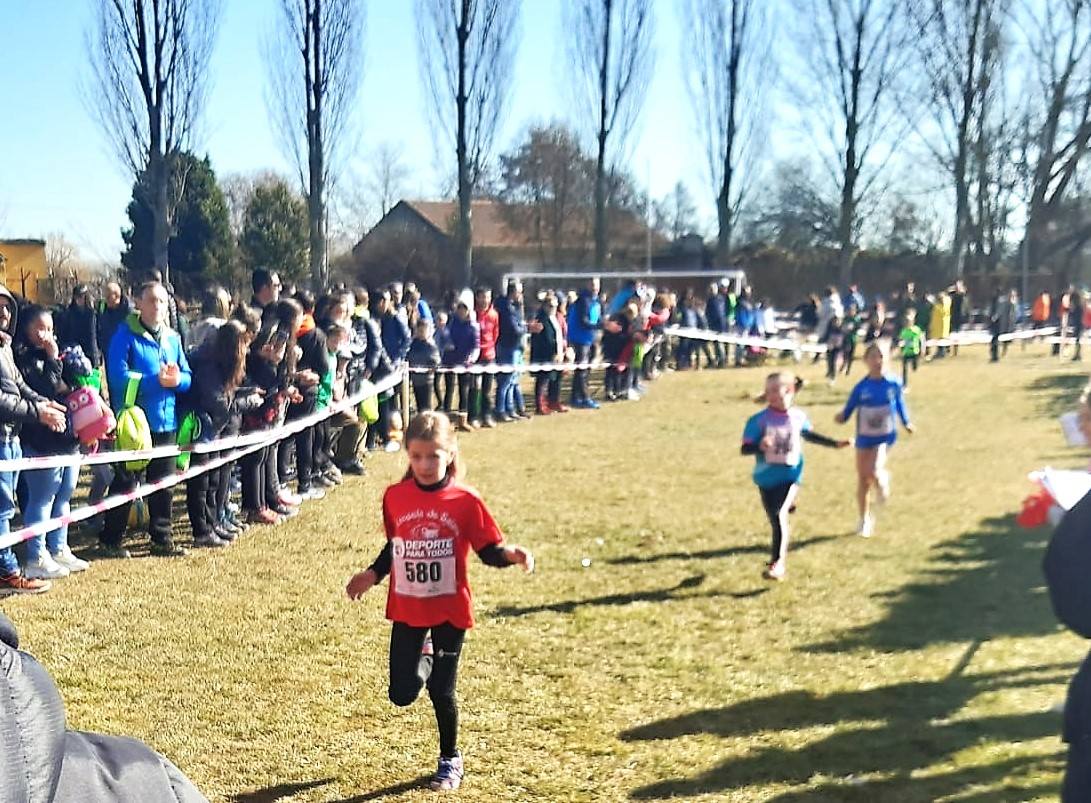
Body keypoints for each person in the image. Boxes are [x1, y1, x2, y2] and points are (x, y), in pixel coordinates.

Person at [345, 411, 534, 792]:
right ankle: (425, 655)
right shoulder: (395, 496)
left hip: (449, 609)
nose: (425, 465)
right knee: (401, 694)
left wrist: (510, 554)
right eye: (416, 456)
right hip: (408, 607)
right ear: (408, 456)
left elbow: (487, 550)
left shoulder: (465, 500)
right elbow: (395, 545)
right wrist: (372, 574)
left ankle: (450, 759)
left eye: (433, 456)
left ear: (450, 453)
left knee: (441, 691)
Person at [99, 281, 192, 558]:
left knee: (163, 484)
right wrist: (155, 381)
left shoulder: (173, 338)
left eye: (162, 301)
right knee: (126, 481)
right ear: (138, 303)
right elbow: (116, 376)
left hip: (167, 422)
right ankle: (110, 539)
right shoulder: (124, 335)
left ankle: (162, 539)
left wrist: (177, 381)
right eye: (151, 300)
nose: (157, 306)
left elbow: (187, 376)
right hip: (136, 424)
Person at [743, 372, 849, 580]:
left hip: (791, 474)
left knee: (778, 516)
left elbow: (810, 436)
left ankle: (777, 563)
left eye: (776, 390)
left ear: (790, 391)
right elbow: (745, 449)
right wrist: (759, 446)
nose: (771, 395)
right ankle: (789, 505)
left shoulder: (798, 417)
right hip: (766, 478)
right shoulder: (758, 420)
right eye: (768, 391)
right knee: (774, 513)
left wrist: (835, 444)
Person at [14, 305, 87, 580]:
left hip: (67, 438)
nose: (47, 335)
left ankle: (59, 547)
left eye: (50, 329)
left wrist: (65, 366)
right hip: (41, 441)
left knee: (64, 495)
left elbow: (70, 387)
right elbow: (44, 389)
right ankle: (36, 554)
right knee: (42, 498)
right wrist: (53, 361)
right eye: (40, 329)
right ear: (28, 329)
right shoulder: (23, 359)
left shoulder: (61, 354)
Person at [187, 320, 264, 545]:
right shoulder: (207, 365)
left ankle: (213, 524)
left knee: (213, 479)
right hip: (200, 427)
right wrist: (248, 401)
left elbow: (226, 394)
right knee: (201, 482)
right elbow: (218, 403)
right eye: (244, 345)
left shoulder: (219, 363)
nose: (247, 351)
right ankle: (202, 531)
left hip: (213, 428)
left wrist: (247, 391)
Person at [835, 342, 914, 538]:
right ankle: (864, 519)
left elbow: (900, 404)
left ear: (887, 359)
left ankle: (883, 480)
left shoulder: (893, 384)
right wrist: (841, 417)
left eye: (881, 357)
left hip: (885, 436)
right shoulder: (861, 387)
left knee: (874, 470)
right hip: (864, 436)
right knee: (863, 479)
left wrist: (907, 422)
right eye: (873, 357)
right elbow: (849, 408)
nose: (877, 361)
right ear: (865, 361)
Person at [494, 280, 540, 421]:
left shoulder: (514, 307)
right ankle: (501, 410)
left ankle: (513, 409)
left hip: (515, 347)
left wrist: (525, 325)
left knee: (514, 381)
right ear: (513, 292)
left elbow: (519, 324)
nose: (521, 294)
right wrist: (528, 328)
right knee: (506, 381)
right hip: (507, 347)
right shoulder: (506, 308)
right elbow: (513, 329)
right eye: (519, 291)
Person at [567, 277, 605, 409]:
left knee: (585, 369)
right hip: (580, 338)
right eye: (593, 285)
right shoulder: (583, 300)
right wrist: (601, 325)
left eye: (597, 285)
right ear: (588, 285)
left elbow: (598, 318)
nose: (596, 287)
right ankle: (584, 398)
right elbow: (584, 321)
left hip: (591, 338)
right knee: (582, 369)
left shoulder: (597, 301)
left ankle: (575, 396)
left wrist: (604, 324)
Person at [443, 298, 480, 432]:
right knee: (449, 390)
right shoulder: (452, 323)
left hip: (465, 363)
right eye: (460, 309)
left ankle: (462, 420)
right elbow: (446, 337)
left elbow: (476, 346)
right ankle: (445, 420)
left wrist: (471, 359)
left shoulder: (473, 327)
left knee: (463, 391)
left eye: (464, 309)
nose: (461, 312)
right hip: (450, 361)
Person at [472, 286, 499, 427]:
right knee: (475, 387)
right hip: (475, 356)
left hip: (489, 355)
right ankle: (474, 416)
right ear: (477, 298)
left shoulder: (494, 314)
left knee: (487, 389)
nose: (485, 300)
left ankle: (486, 415)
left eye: (488, 297)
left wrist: (489, 348)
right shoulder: (472, 314)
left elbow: (495, 333)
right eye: (482, 297)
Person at [58, 284, 101, 370]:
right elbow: (64, 334)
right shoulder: (68, 313)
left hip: (91, 352)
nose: (79, 299)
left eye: (81, 296)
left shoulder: (92, 314)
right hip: (75, 353)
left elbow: (95, 335)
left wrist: (96, 356)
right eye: (77, 296)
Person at [407, 318, 440, 414]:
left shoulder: (431, 346)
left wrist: (432, 366)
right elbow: (409, 357)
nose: (421, 333)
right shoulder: (413, 344)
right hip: (415, 379)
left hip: (427, 380)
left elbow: (436, 361)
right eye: (419, 330)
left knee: (427, 407)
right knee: (419, 405)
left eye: (423, 331)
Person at [897, 308, 925, 388]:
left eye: (909, 321)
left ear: (912, 322)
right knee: (904, 369)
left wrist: (922, 349)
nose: (908, 323)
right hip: (906, 352)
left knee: (914, 368)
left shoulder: (916, 330)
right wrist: (900, 350)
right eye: (906, 322)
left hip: (915, 352)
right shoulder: (904, 331)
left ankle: (915, 366)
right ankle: (904, 384)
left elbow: (922, 339)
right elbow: (901, 341)